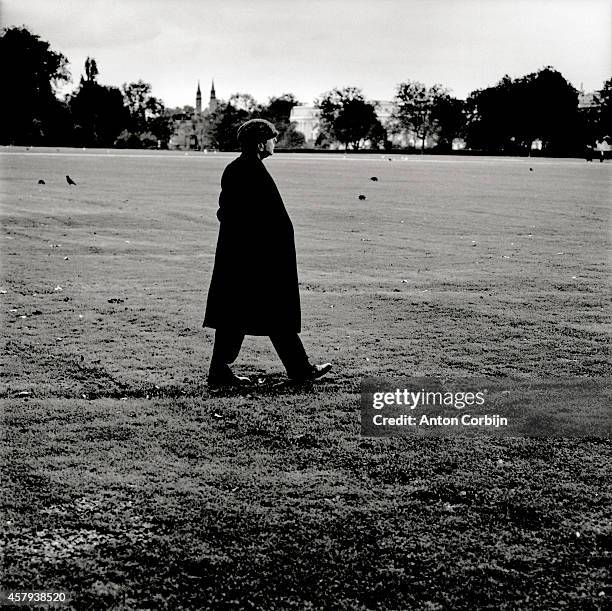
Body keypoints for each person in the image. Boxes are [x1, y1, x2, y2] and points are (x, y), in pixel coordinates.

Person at [203, 119, 332, 387]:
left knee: (240, 315)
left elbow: (226, 212)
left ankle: (224, 371)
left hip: (247, 257)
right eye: (272, 138)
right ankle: (297, 370)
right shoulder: (248, 170)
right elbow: (239, 216)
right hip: (255, 259)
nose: (275, 142)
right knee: (268, 313)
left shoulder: (242, 168)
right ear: (261, 143)